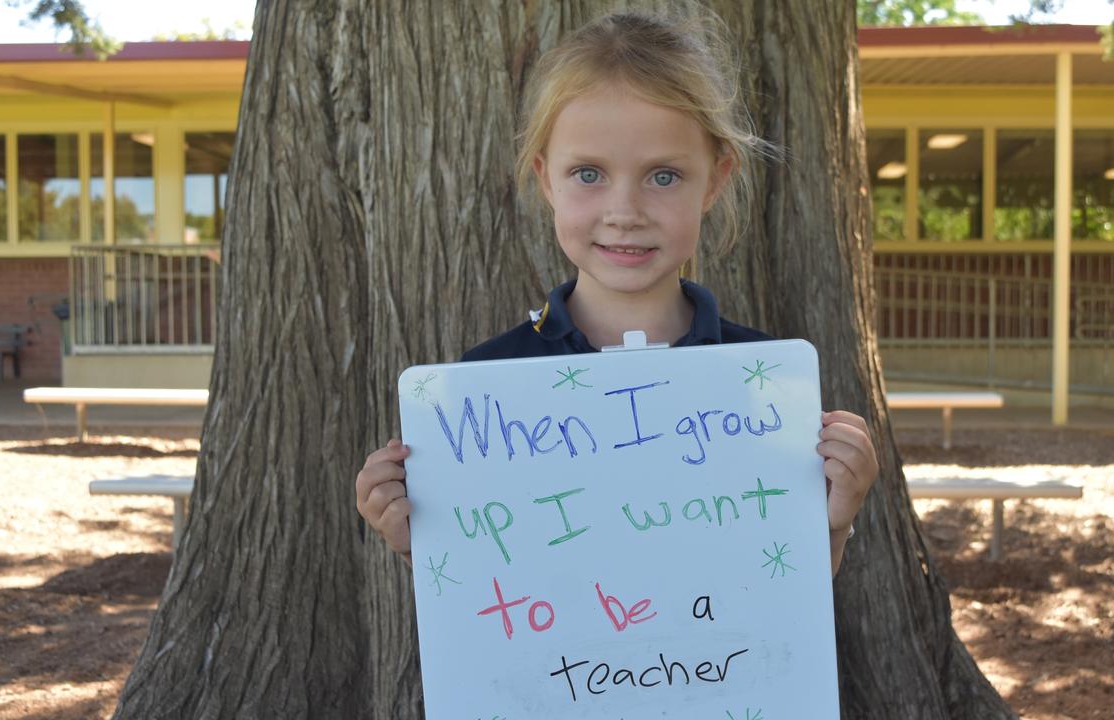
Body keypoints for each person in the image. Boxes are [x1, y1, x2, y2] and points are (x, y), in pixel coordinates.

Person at [355, 10, 876, 579]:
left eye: (663, 176)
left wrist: (831, 525)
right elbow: (484, 597)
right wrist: (421, 540)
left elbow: (776, 597)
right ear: (545, 177)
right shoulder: (482, 393)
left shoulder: (767, 390)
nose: (624, 213)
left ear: (716, 181)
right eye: (588, 173)